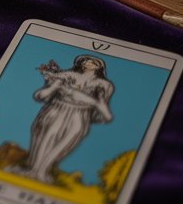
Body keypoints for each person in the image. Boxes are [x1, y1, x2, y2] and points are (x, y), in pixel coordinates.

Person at [12, 55, 115, 183]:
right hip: (57, 109)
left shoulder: (104, 84)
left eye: (94, 61)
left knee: (66, 143)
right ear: (80, 63)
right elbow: (45, 92)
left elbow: (102, 105)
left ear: (101, 66)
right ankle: (33, 169)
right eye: (86, 60)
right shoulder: (66, 74)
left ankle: (42, 171)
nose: (89, 62)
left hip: (80, 114)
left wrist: (98, 108)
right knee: (46, 138)